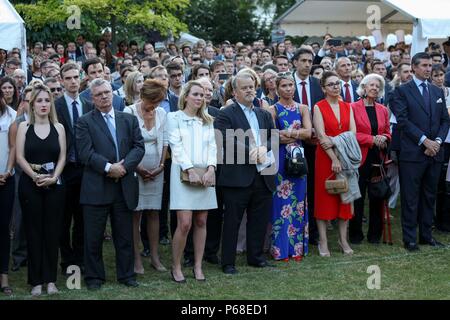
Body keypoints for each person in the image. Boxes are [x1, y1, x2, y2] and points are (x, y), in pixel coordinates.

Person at [75, 78, 144, 290]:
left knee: (124, 235)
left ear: (112, 93)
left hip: (123, 185)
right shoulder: (84, 121)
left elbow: (138, 147)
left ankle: (127, 275)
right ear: (92, 98)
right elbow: (85, 153)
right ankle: (94, 277)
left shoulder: (128, 119)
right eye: (99, 94)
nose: (104, 96)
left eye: (107, 92)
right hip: (97, 187)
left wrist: (123, 168)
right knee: (93, 237)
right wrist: (108, 168)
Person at [215, 72, 276, 275]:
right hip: (237, 177)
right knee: (233, 221)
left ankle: (256, 257)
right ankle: (228, 262)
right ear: (234, 91)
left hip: (263, 175)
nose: (250, 90)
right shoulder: (226, 113)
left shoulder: (264, 114)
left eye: (252, 86)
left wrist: (264, 148)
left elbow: (273, 137)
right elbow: (225, 138)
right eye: (245, 87)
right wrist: (252, 150)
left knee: (259, 220)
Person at [391, 52, 450, 251]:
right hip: (413, 154)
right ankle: (410, 239)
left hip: (435, 153)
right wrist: (425, 141)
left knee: (429, 195)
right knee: (410, 197)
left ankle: (426, 236)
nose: (428, 69)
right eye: (424, 65)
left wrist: (438, 142)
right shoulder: (401, 92)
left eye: (430, 66)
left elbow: (444, 120)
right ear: (414, 67)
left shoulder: (437, 91)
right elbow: (403, 121)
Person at [16, 83, 66, 296]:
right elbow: (19, 156)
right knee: (34, 232)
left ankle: (51, 280)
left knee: (52, 232)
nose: (44, 104)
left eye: (47, 100)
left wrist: (54, 178)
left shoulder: (59, 128)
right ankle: (36, 281)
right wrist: (35, 176)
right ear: (32, 104)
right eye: (39, 100)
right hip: (30, 185)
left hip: (54, 185)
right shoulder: (24, 127)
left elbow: (62, 156)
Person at [166, 80, 217, 283]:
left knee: (202, 220)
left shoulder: (207, 120)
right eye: (195, 94)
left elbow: (212, 146)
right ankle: (176, 266)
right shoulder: (174, 117)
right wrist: (189, 169)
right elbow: (175, 144)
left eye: (202, 95)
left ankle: (197, 265)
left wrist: (211, 169)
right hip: (182, 173)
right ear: (185, 96)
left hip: (205, 173)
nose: (199, 98)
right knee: (185, 223)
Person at [124, 79, 168, 274]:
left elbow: (165, 141)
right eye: (153, 101)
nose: (155, 106)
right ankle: (136, 258)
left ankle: (155, 257)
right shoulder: (129, 112)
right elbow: (126, 143)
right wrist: (138, 168)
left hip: (157, 170)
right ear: (143, 97)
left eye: (158, 102)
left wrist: (161, 165)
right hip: (136, 169)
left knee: (154, 212)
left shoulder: (162, 113)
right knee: (136, 213)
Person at [267, 72, 311, 261]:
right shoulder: (272, 109)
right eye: (284, 85)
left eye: (291, 85)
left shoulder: (303, 108)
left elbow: (308, 133)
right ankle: (281, 249)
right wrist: (296, 134)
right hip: (280, 158)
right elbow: (272, 135)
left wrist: (288, 133)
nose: (289, 88)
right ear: (277, 88)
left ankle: (297, 249)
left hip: (298, 158)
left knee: (299, 203)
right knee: (281, 203)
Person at [313, 71, 357, 257]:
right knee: (324, 199)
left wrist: (337, 142)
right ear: (323, 88)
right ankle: (323, 242)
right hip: (326, 158)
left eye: (337, 83)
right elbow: (321, 136)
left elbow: (353, 133)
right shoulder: (318, 107)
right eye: (331, 84)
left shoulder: (348, 106)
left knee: (345, 199)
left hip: (345, 156)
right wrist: (334, 158)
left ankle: (343, 239)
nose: (335, 87)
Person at [55, 63, 93, 275]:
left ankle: (79, 258)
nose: (72, 81)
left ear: (80, 79)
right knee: (63, 218)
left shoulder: (88, 105)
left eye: (74, 77)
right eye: (67, 78)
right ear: (62, 81)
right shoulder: (55, 105)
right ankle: (67, 260)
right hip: (64, 169)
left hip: (86, 170)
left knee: (82, 218)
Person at [349, 74, 391, 244]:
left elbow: (388, 132)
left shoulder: (382, 109)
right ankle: (355, 235)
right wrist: (372, 139)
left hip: (377, 159)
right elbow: (350, 133)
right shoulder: (352, 107)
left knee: (377, 197)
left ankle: (375, 236)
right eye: (371, 85)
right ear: (364, 87)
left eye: (377, 86)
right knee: (357, 198)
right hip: (359, 158)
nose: (374, 88)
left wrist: (385, 138)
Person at [0, 92, 17, 296]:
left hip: (6, 179)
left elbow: (13, 146)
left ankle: (3, 275)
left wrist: (8, 170)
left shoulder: (10, 115)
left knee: (3, 228)